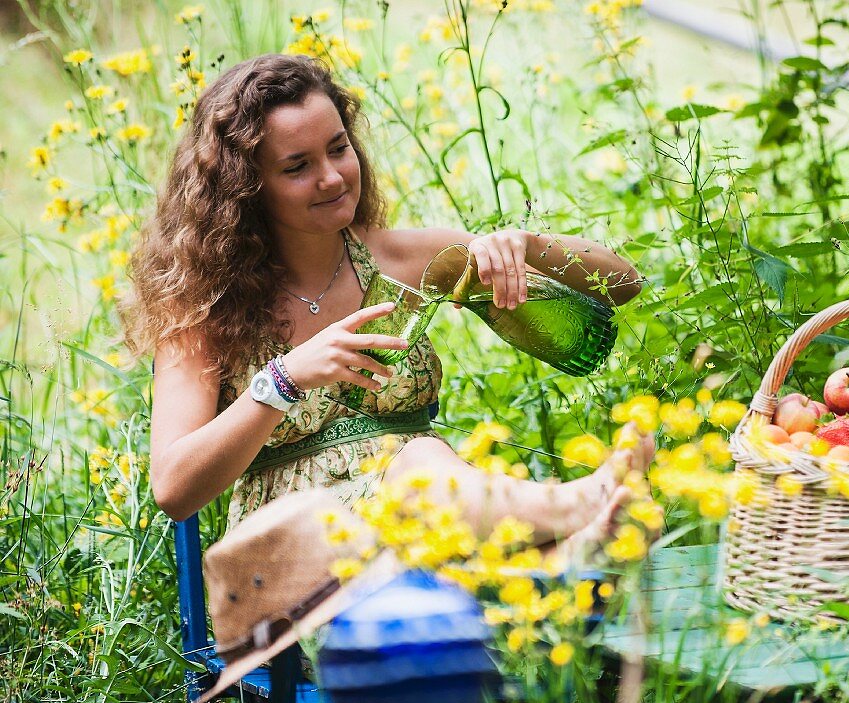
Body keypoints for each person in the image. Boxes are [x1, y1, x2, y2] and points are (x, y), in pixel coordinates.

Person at [123, 54, 650, 552]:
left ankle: (580, 541)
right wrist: (284, 380)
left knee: (425, 461)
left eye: (337, 148)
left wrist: (524, 245)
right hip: (296, 554)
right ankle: (580, 505)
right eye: (297, 166)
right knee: (421, 462)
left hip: (434, 525)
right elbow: (173, 488)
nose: (331, 176)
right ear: (246, 187)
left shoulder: (404, 259)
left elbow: (623, 284)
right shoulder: (204, 305)